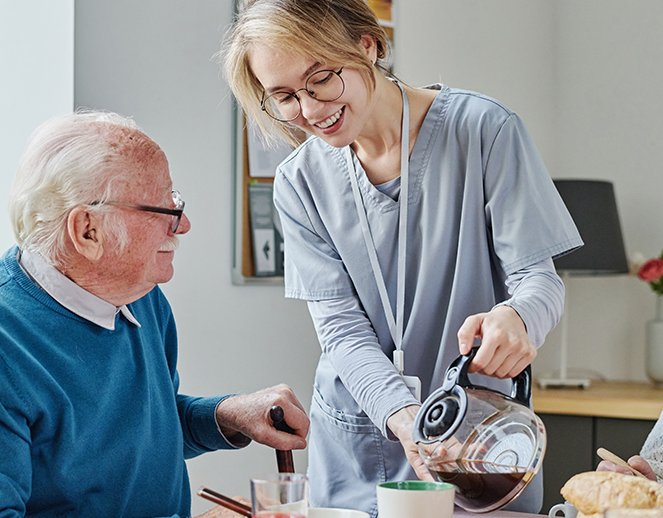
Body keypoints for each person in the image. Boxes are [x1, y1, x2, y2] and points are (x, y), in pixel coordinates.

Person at [220, 0, 582, 515]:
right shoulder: (298, 182)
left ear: (367, 45)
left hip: (476, 438)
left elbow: (539, 281)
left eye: (320, 78)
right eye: (284, 96)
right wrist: (402, 414)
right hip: (355, 446)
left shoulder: (483, 130)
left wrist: (518, 316)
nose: (310, 109)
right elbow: (340, 329)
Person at [0, 110, 309, 518]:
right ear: (88, 231)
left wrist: (227, 415)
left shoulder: (140, 297)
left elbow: (134, 434)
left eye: (178, 203)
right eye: (165, 210)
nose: (183, 225)